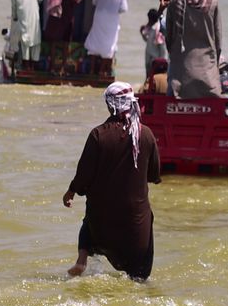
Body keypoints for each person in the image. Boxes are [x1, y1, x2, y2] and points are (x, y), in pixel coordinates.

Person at [62, 82, 162, 280]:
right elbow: (154, 175)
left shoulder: (98, 134)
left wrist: (72, 191)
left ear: (110, 105)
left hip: (102, 223)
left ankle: (82, 259)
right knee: (139, 278)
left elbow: (84, 175)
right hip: (135, 225)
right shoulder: (146, 134)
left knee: (89, 218)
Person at [164, 0, 222, 98]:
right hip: (207, 80)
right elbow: (218, 41)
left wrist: (175, 55)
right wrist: (215, 64)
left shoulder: (175, 2)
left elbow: (169, 38)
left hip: (179, 78)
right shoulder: (212, 3)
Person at [83, 0, 129, 73]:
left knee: (94, 43)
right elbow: (123, 9)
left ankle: (91, 71)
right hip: (112, 21)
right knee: (108, 45)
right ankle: (102, 72)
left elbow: (95, 1)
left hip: (99, 18)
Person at [7, 0, 41, 67]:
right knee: (35, 43)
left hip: (23, 21)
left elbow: (14, 14)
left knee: (25, 44)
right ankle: (34, 68)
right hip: (35, 19)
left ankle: (26, 68)